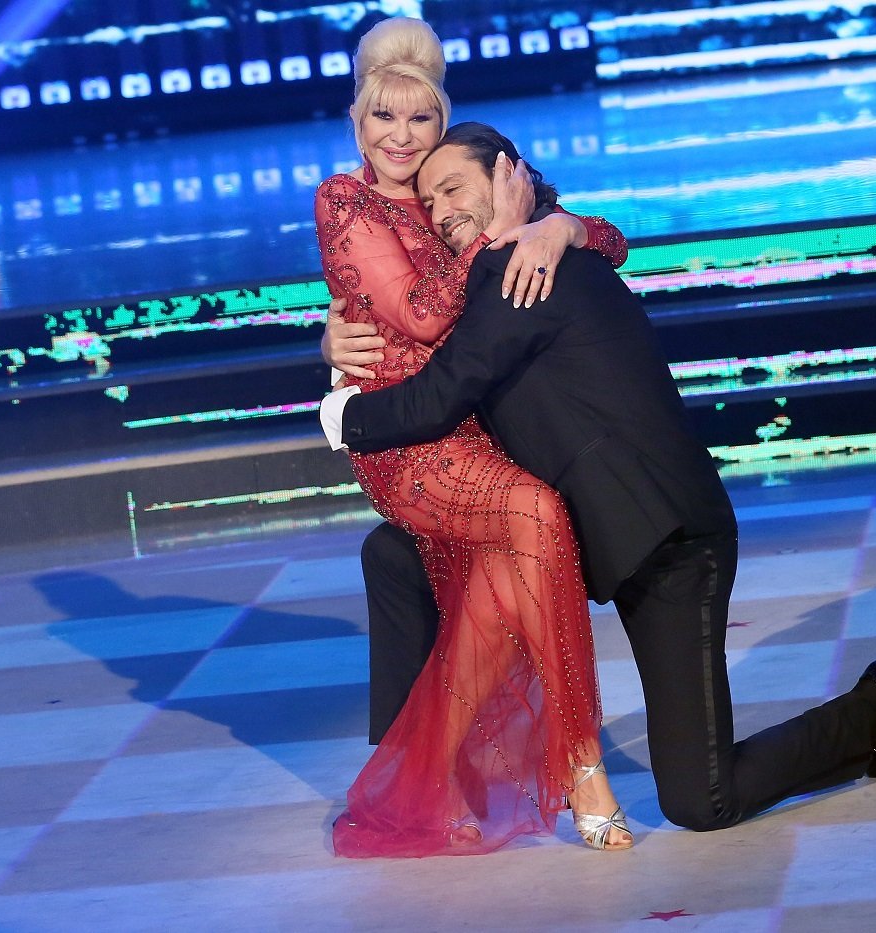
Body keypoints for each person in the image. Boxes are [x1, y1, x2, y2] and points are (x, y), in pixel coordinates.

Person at [320, 123, 876, 833]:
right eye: (428, 201)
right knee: (394, 555)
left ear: (509, 178)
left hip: (665, 540)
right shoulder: (507, 267)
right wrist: (332, 341)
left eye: (454, 187)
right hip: (587, 524)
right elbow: (415, 329)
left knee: (702, 799)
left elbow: (439, 394)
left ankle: (874, 710)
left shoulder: (529, 272)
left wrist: (338, 415)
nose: (442, 208)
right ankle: (411, 772)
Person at [316, 17, 636, 858]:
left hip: (470, 431)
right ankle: (582, 766)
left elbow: (610, 236)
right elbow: (418, 313)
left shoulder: (442, 193)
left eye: (419, 118)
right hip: (403, 444)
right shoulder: (342, 199)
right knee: (535, 513)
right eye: (384, 116)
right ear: (357, 119)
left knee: (496, 602)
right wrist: (501, 233)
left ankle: (419, 779)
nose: (402, 135)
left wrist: (554, 229)